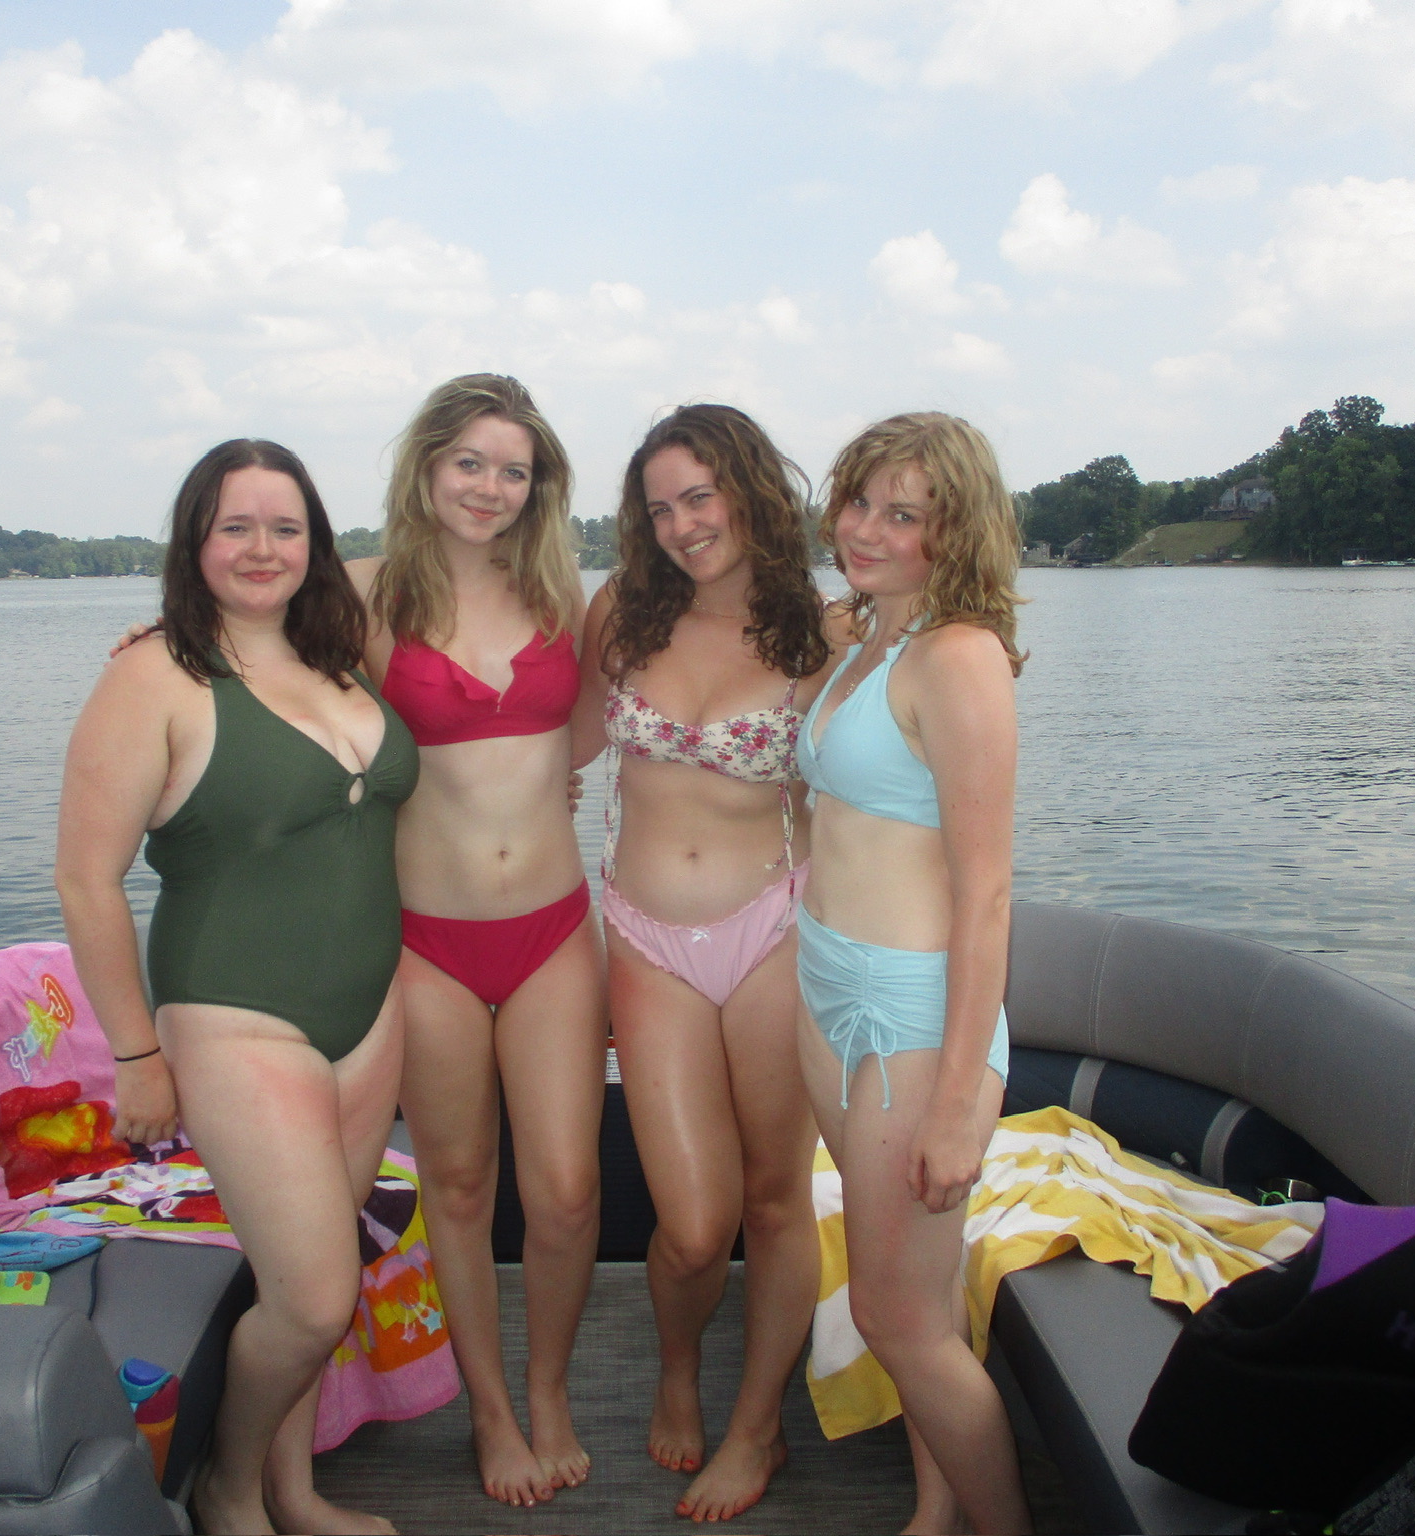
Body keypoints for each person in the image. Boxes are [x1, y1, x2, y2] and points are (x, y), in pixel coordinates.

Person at [56, 439, 414, 1536]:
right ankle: (226, 1483)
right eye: (234, 527)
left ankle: (294, 1491)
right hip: (234, 1014)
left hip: (369, 1008)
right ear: (193, 543)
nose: (261, 549)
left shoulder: (341, 651)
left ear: (317, 542)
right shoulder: (152, 674)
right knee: (312, 1298)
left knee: (313, 1269)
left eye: (285, 527)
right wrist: (134, 1055)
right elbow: (85, 878)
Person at [572, 403, 834, 1523]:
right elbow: (544, 740)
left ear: (748, 491)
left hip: (772, 925)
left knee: (774, 1203)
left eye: (700, 495)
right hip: (643, 931)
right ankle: (678, 1364)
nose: (682, 525)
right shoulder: (619, 618)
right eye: (659, 505)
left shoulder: (819, 632)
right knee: (689, 1222)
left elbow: (875, 768)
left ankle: (757, 1423)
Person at [349, 374, 606, 1510]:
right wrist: (160, 633)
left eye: (513, 469)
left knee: (561, 1188)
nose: (490, 488)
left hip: (552, 930)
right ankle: (491, 1412)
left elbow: (624, 713)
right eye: (470, 463)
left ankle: (546, 1388)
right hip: (424, 941)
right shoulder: (360, 598)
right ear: (426, 468)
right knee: (455, 1184)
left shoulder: (568, 597)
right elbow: (235, 649)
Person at [794, 412, 1032, 1535]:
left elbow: (984, 892)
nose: (868, 529)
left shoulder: (958, 656)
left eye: (904, 514)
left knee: (899, 1319)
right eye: (858, 503)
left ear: (955, 531)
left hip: (909, 1015)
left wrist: (958, 1098)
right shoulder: (867, 641)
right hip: (825, 985)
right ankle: (934, 1508)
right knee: (925, 1290)